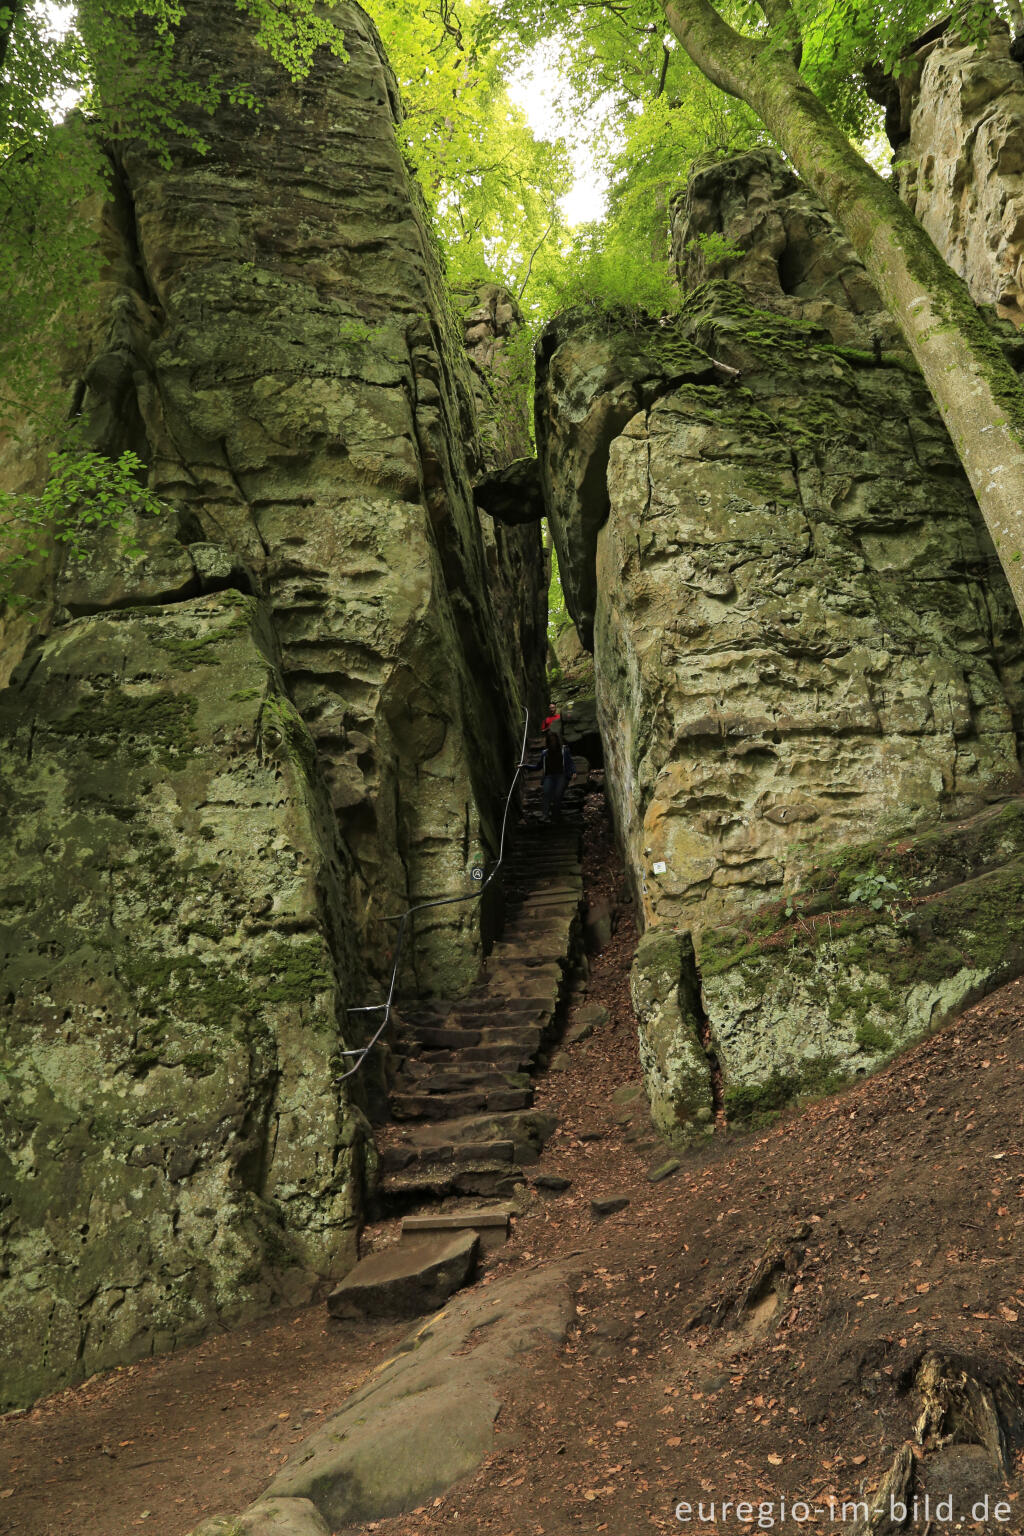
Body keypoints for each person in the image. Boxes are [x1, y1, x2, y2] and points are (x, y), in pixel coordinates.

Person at [523, 729, 575, 823]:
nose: (553, 742)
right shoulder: (545, 753)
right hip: (549, 776)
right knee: (546, 794)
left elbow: (570, 762)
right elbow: (538, 766)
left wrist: (573, 772)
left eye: (554, 740)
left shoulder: (564, 750)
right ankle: (545, 815)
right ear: (548, 742)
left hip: (561, 775)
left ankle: (556, 815)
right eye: (550, 741)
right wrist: (525, 766)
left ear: (557, 740)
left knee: (557, 795)